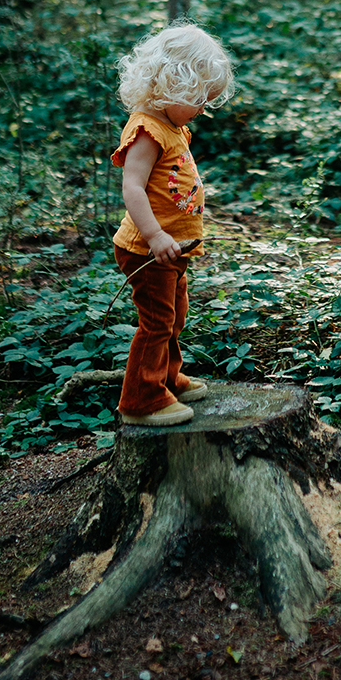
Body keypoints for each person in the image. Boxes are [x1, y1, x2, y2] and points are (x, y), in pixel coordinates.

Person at [110, 24, 235, 426]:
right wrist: (156, 234)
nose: (202, 109)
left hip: (171, 249)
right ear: (170, 83)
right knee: (157, 320)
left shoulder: (174, 125)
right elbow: (132, 187)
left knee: (174, 315)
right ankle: (141, 399)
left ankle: (165, 377)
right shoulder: (146, 128)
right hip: (147, 249)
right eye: (198, 99)